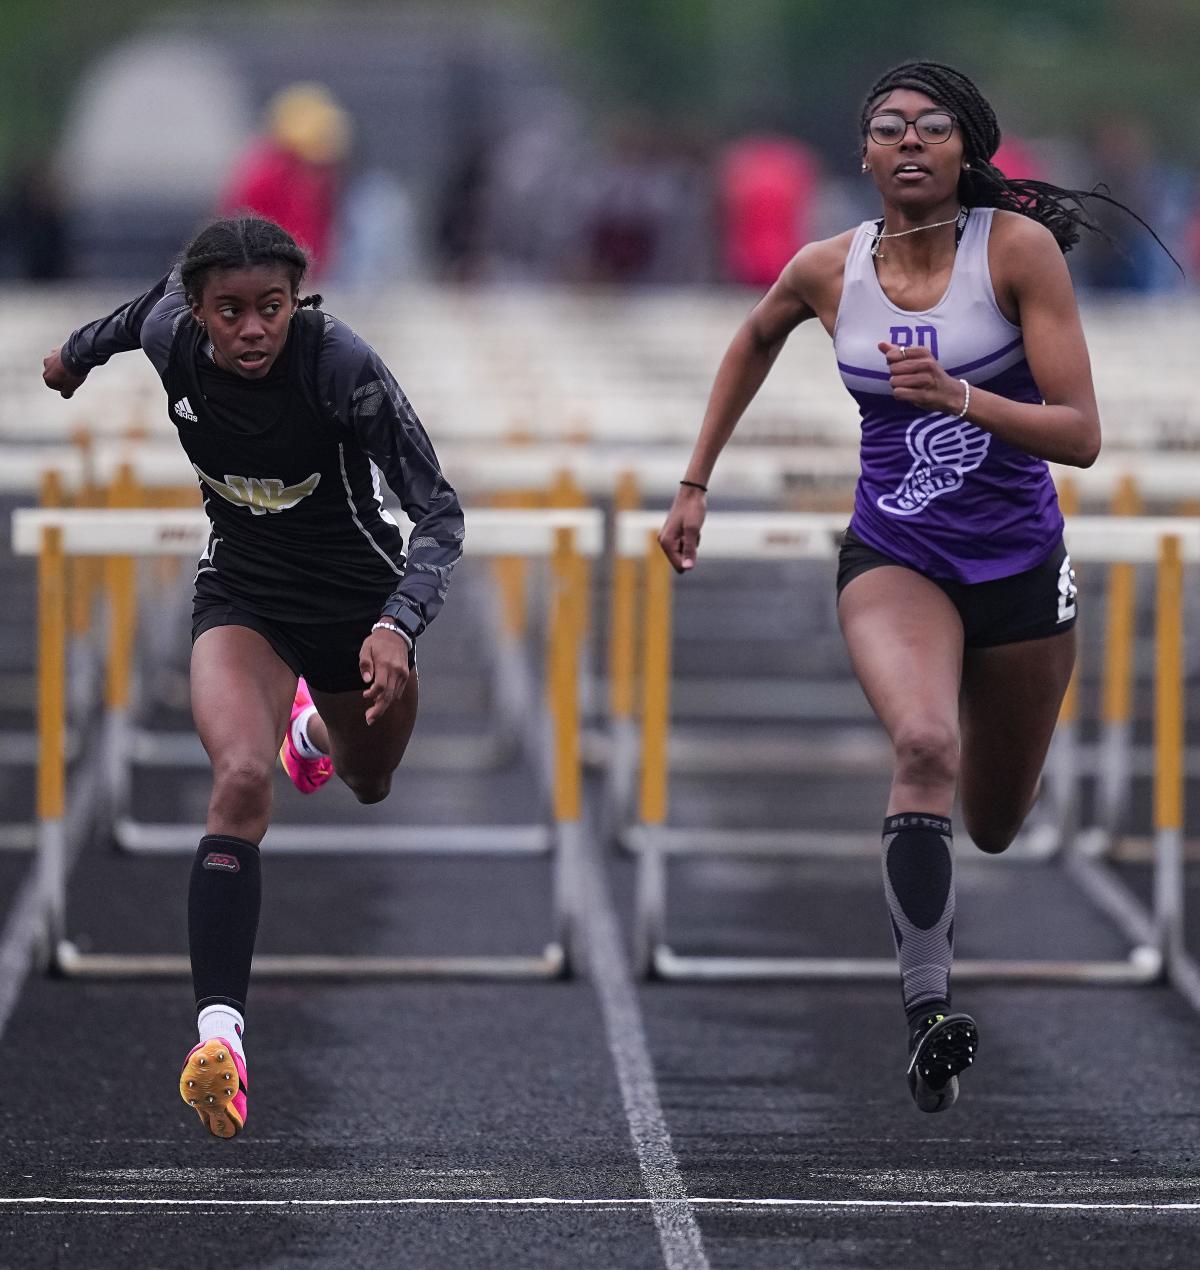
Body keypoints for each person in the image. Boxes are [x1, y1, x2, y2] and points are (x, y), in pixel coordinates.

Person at [657, 61, 1160, 1113]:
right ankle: (930, 1015)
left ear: (968, 149)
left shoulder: (1013, 253)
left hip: (1021, 566)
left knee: (994, 821)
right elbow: (752, 338)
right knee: (924, 743)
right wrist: (694, 481)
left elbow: (1083, 435)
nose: (913, 143)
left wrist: (966, 396)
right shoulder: (829, 269)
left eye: (934, 128)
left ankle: (952, 912)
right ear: (866, 154)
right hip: (898, 555)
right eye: (891, 129)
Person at [42, 214, 465, 1138]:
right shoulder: (168, 333)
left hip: (357, 606)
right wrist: (73, 357)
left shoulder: (339, 367)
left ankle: (315, 729)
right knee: (238, 779)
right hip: (244, 594)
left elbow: (440, 512)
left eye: (269, 308)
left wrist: (398, 623)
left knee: (370, 778)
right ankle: (220, 1042)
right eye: (228, 312)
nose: (250, 331)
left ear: (296, 302)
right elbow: (132, 315)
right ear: (196, 313)